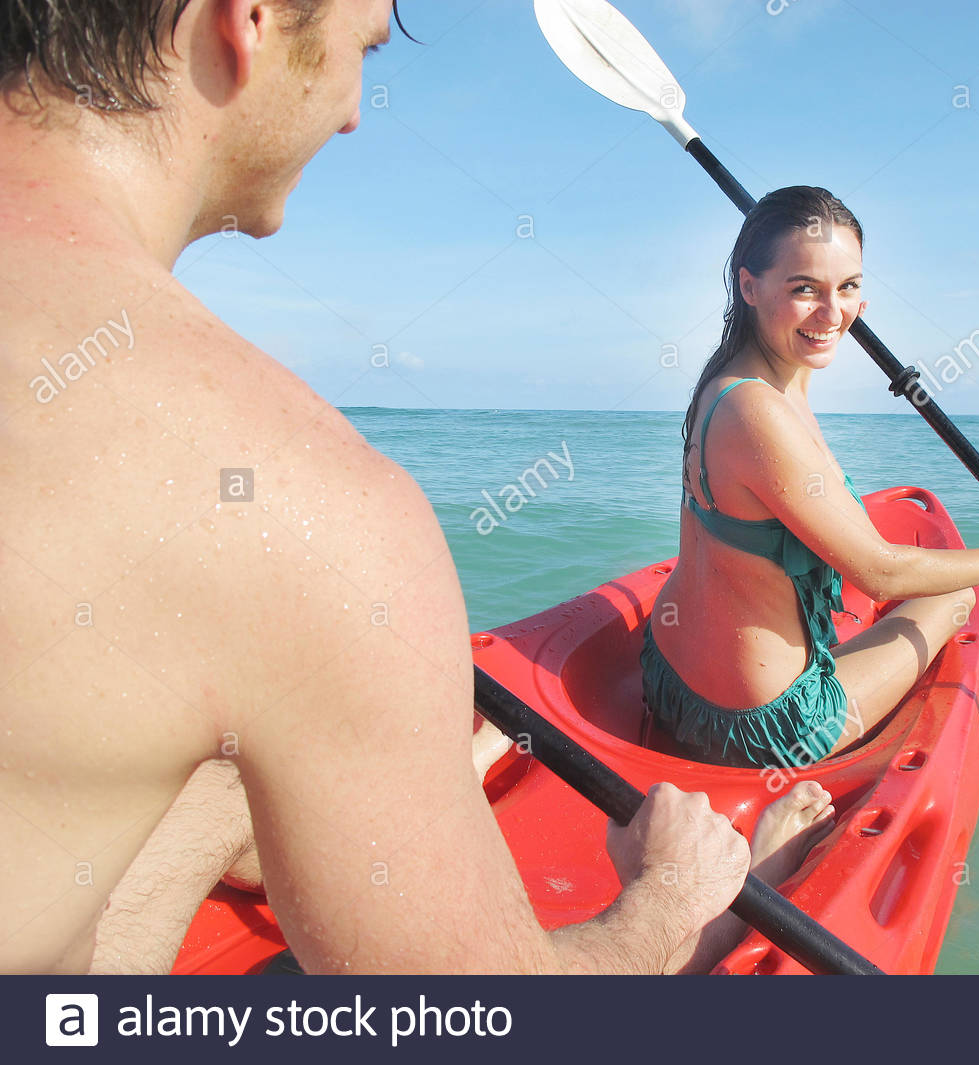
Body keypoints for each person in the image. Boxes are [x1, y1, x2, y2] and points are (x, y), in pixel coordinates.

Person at [0, 0, 822, 976]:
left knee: (204, 776)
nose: (353, 112)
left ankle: (334, 809)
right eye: (363, 49)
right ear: (250, 20)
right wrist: (669, 898)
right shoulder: (303, 501)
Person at [642, 186, 979, 771]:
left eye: (848, 287)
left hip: (665, 672)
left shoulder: (738, 379)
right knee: (954, 598)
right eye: (803, 290)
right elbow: (877, 573)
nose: (833, 313)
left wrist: (817, 314)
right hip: (762, 727)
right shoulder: (758, 411)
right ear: (749, 287)